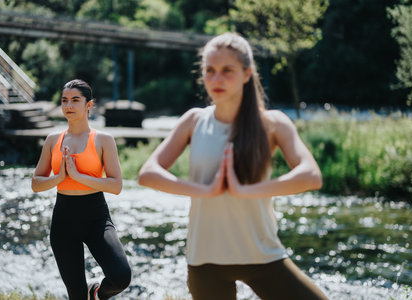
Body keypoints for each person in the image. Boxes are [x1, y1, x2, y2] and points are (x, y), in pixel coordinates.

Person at [138, 33, 328, 300]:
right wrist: (205, 190)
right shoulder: (194, 120)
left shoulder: (272, 123)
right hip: (205, 260)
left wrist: (245, 190)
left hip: (262, 254)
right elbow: (148, 174)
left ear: (247, 73)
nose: (216, 79)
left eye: (227, 70)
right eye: (210, 71)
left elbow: (311, 176)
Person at [31, 79, 131, 300]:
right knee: (76, 295)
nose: (68, 105)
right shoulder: (52, 140)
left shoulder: (104, 140)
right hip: (64, 220)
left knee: (121, 276)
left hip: (96, 216)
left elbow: (116, 186)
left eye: (75, 100)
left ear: (89, 104)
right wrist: (59, 177)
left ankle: (95, 293)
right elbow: (36, 183)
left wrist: (78, 176)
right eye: (64, 100)